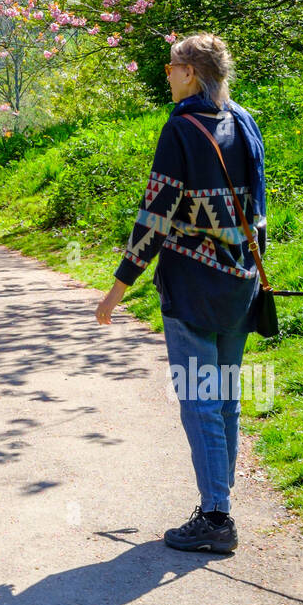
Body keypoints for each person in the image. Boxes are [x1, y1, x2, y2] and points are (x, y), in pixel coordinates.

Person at [95, 33, 267, 554]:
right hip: (240, 286)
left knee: (199, 400)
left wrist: (117, 288)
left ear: (191, 72)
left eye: (171, 67)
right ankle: (220, 501)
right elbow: (257, 211)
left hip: (193, 290)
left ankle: (215, 516)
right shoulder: (246, 122)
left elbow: (155, 215)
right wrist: (255, 273)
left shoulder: (181, 130)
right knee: (225, 399)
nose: (166, 74)